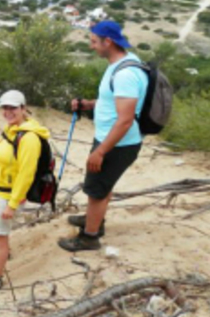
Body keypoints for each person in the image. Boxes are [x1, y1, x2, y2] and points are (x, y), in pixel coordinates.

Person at [59, 21, 147, 252]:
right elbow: (115, 101)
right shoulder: (122, 64)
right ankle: (94, 219)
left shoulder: (125, 74)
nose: (91, 46)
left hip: (117, 144)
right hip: (113, 140)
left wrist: (100, 151)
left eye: (94, 42)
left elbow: (125, 120)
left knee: (96, 190)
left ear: (108, 42)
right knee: (102, 185)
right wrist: (89, 104)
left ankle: (90, 237)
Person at [0, 90, 51, 295]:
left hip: (7, 196)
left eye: (13, 107)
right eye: (5, 107)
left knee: (0, 237)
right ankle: (1, 252)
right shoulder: (12, 129)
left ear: (23, 108)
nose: (8, 112)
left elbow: (26, 174)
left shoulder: (29, 138)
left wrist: (13, 204)